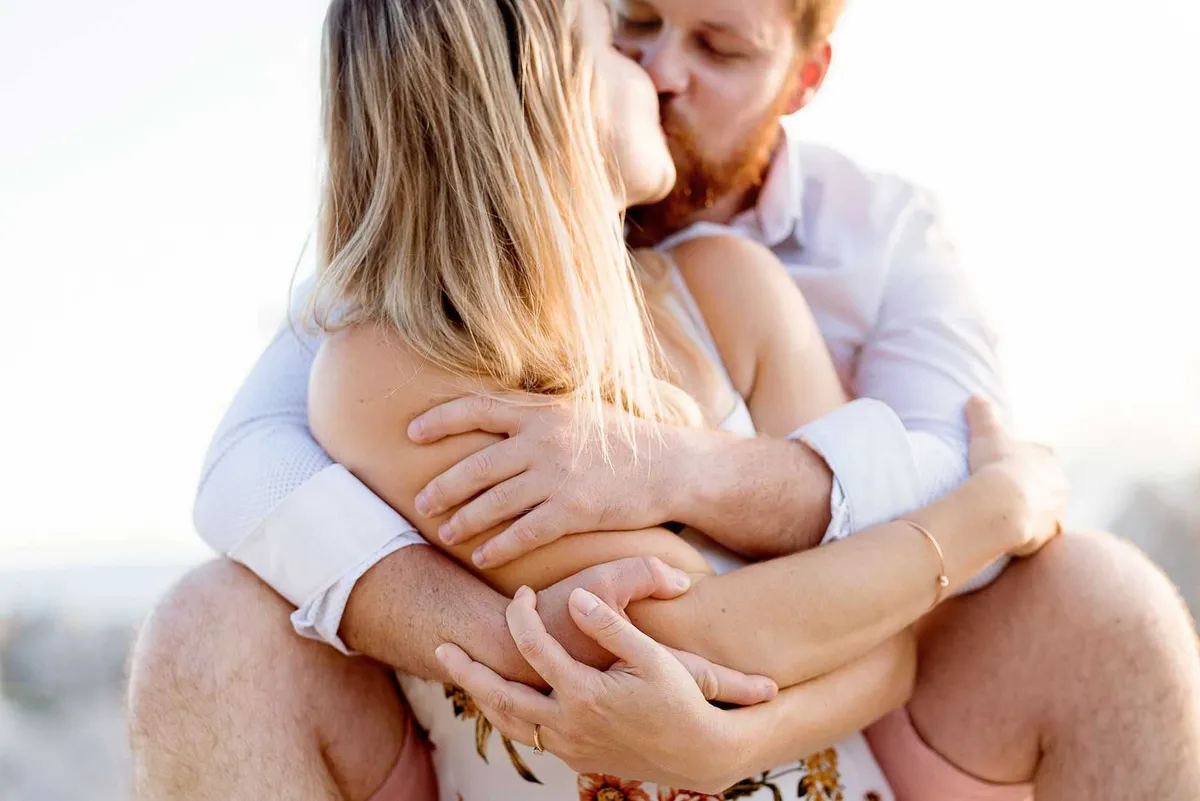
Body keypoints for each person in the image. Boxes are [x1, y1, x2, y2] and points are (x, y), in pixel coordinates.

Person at [127, 0, 1200, 799]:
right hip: (551, 761)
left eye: (720, 46)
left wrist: (665, 472)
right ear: (539, 102)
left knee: (1113, 594)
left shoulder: (774, 274)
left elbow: (907, 593)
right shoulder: (390, 348)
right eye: (627, 29)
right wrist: (977, 516)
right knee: (201, 625)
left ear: (804, 75)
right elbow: (698, 639)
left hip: (827, 759)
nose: (660, 73)